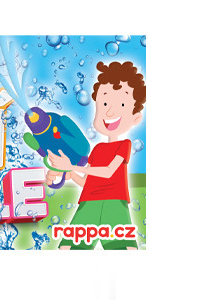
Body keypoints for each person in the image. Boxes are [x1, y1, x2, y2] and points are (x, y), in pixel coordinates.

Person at [47, 61, 145, 250]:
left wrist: (71, 166)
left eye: (121, 104)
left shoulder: (124, 145)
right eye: (105, 103)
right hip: (88, 203)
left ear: (136, 117)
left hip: (114, 203)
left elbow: (108, 172)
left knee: (123, 249)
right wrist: (68, 174)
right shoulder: (98, 148)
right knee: (67, 248)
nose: (110, 111)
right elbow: (87, 182)